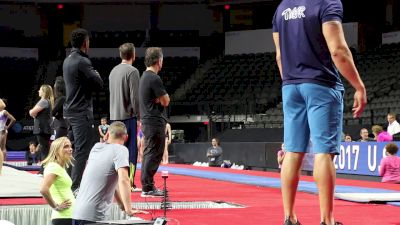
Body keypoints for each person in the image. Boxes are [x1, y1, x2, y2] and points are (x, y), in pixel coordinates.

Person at [272, 1, 367, 224]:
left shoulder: (282, 8)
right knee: (324, 152)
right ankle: (327, 220)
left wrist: (291, 81)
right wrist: (359, 87)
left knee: (293, 151)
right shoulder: (327, 2)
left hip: (290, 85)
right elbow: (338, 50)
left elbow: (279, 56)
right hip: (322, 85)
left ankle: (290, 217)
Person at [72, 121, 147, 225]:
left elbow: (112, 182)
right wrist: (129, 209)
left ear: (107, 134)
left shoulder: (96, 148)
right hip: (93, 216)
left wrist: (122, 206)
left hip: (77, 212)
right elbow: (124, 179)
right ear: (126, 137)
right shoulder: (121, 150)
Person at [63, 28, 103, 192]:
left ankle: (67, 182)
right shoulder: (82, 61)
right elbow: (98, 84)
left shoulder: (67, 60)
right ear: (85, 43)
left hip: (70, 111)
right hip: (81, 112)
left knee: (70, 149)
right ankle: (75, 186)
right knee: (81, 149)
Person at [108, 43, 140, 191]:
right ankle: (129, 183)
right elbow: (135, 97)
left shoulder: (112, 71)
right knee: (130, 151)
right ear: (133, 55)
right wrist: (139, 115)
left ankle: (113, 183)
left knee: (114, 151)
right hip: (128, 116)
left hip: (114, 117)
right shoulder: (132, 71)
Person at [139, 47, 170, 197]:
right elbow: (166, 101)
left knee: (149, 152)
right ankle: (148, 187)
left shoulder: (144, 76)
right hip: (154, 120)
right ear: (159, 61)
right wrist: (160, 99)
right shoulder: (154, 78)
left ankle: (147, 185)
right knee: (154, 153)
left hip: (148, 119)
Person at [40, 137, 74, 225]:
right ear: (56, 150)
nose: (70, 149)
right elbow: (43, 190)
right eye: (66, 146)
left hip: (68, 216)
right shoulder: (53, 167)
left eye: (70, 146)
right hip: (64, 218)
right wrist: (56, 207)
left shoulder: (59, 168)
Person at [29, 84, 54, 174]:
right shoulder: (47, 101)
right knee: (45, 149)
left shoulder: (43, 101)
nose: (38, 91)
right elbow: (34, 113)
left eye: (40, 90)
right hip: (45, 128)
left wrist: (32, 112)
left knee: (44, 149)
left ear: (43, 92)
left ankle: (44, 171)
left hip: (42, 128)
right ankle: (44, 170)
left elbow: (32, 112)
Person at [0, 98, 16, 175]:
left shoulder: (4, 112)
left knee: (2, 148)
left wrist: (7, 127)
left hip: (2, 131)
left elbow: (13, 119)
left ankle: (4, 163)